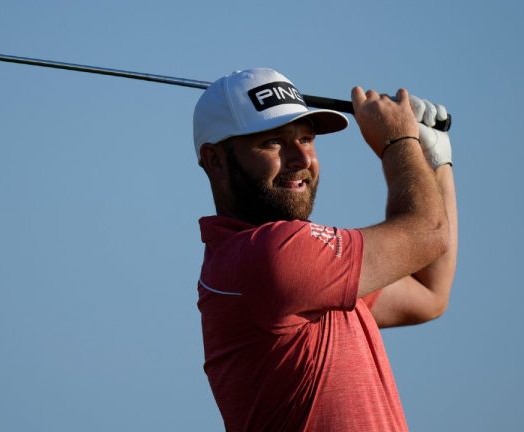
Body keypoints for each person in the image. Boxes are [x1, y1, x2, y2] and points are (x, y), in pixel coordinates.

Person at [193, 68, 458, 431]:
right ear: (215, 160)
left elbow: (429, 291)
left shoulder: (302, 272)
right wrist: (399, 142)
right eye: (273, 142)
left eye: (306, 139)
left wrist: (435, 161)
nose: (301, 159)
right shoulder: (269, 256)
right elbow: (428, 232)